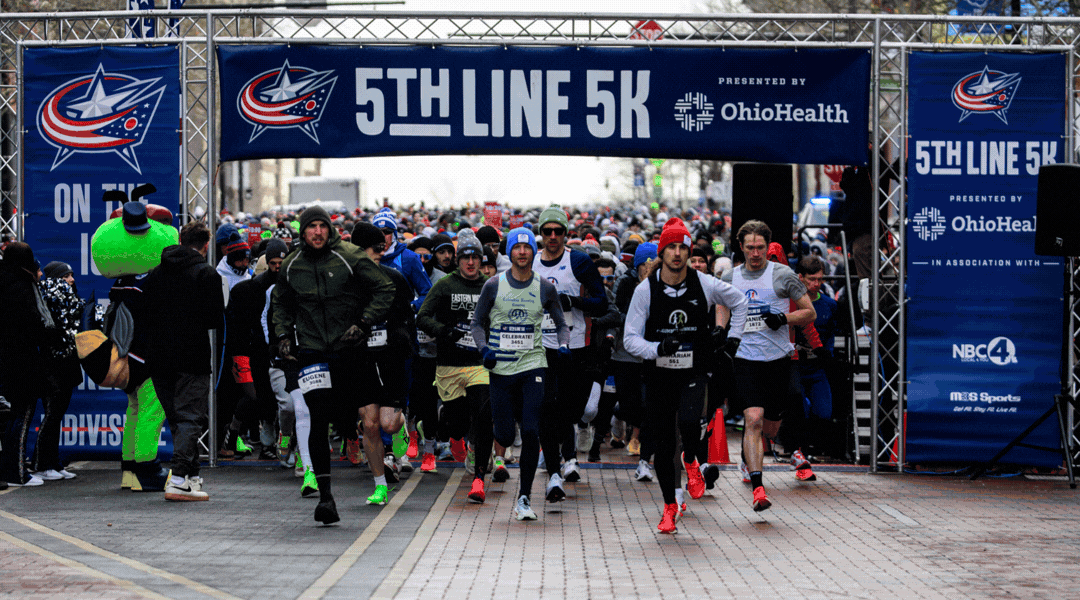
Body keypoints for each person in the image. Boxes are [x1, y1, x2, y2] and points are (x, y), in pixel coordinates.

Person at [271, 206, 395, 524]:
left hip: (349, 349)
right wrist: (283, 335)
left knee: (363, 419)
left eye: (322, 226)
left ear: (330, 229)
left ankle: (373, 471)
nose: (317, 232)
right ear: (303, 232)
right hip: (312, 351)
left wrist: (364, 322)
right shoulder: (291, 264)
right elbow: (280, 303)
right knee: (317, 416)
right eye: (311, 226)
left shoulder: (350, 256)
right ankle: (326, 497)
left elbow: (385, 288)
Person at [625, 218, 746, 534]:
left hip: (694, 369)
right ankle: (669, 507)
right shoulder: (645, 290)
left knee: (691, 424)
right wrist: (657, 348)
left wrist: (732, 338)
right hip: (659, 374)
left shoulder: (704, 283)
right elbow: (630, 339)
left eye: (683, 247)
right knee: (664, 444)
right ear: (662, 252)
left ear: (689, 251)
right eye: (671, 247)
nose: (677, 253)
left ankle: (691, 459)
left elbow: (740, 300)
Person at [471, 227, 569, 521]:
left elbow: (561, 324)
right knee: (504, 434)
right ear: (510, 252)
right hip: (500, 368)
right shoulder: (493, 285)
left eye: (527, 248)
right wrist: (484, 348)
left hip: (532, 365)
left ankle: (524, 498)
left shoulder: (544, 287)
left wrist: (563, 344)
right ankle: (498, 445)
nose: (522, 252)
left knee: (530, 431)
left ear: (533, 252)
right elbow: (477, 323)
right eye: (517, 247)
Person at [721, 220, 815, 513]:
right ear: (741, 247)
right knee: (753, 418)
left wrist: (783, 319)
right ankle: (758, 487)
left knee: (771, 428)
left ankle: (759, 449)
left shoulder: (783, 275)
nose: (755, 253)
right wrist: (722, 331)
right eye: (750, 247)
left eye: (760, 247)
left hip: (777, 360)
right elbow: (722, 305)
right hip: (745, 358)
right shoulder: (730, 277)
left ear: (767, 247)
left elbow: (809, 312)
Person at [417, 229, 506, 502]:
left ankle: (478, 480)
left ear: (481, 260)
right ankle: (446, 426)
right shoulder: (445, 285)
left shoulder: (491, 286)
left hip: (480, 364)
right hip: (449, 365)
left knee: (484, 416)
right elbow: (422, 317)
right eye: (465, 257)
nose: (470, 262)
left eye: (475, 257)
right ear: (458, 260)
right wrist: (444, 331)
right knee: (457, 424)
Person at [144, 221, 226, 502]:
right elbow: (214, 318)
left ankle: (191, 477)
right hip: (192, 356)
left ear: (181, 240)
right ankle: (178, 478)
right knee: (190, 418)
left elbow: (145, 315)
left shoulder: (155, 274)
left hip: (158, 357)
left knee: (177, 420)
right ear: (206, 245)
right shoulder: (206, 274)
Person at [532, 204, 608, 492]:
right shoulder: (531, 263)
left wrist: (572, 301)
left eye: (558, 231)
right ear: (541, 233)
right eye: (547, 231)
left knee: (569, 410)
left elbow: (601, 303)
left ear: (565, 233)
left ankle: (568, 455)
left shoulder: (578, 261)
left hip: (576, 348)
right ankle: (556, 471)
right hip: (541, 348)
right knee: (546, 409)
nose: (553, 236)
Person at [350, 222, 416, 502]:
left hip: (391, 358)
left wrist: (403, 340)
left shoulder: (394, 279)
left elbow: (408, 317)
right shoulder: (347, 283)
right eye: (375, 248)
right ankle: (379, 486)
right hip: (362, 359)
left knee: (388, 424)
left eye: (383, 246)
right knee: (370, 424)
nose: (381, 251)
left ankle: (402, 426)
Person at [0, 243, 49, 487]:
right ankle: (17, 472)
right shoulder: (22, 287)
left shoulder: (4, 282)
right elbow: (33, 325)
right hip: (23, 361)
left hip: (6, 361)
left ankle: (9, 469)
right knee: (23, 415)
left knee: (10, 417)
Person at [31, 261, 85, 481]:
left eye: (71, 275)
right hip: (54, 365)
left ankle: (53, 462)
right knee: (52, 415)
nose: (71, 280)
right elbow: (55, 331)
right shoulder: (51, 298)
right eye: (66, 277)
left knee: (57, 414)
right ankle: (42, 464)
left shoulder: (68, 298)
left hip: (66, 362)